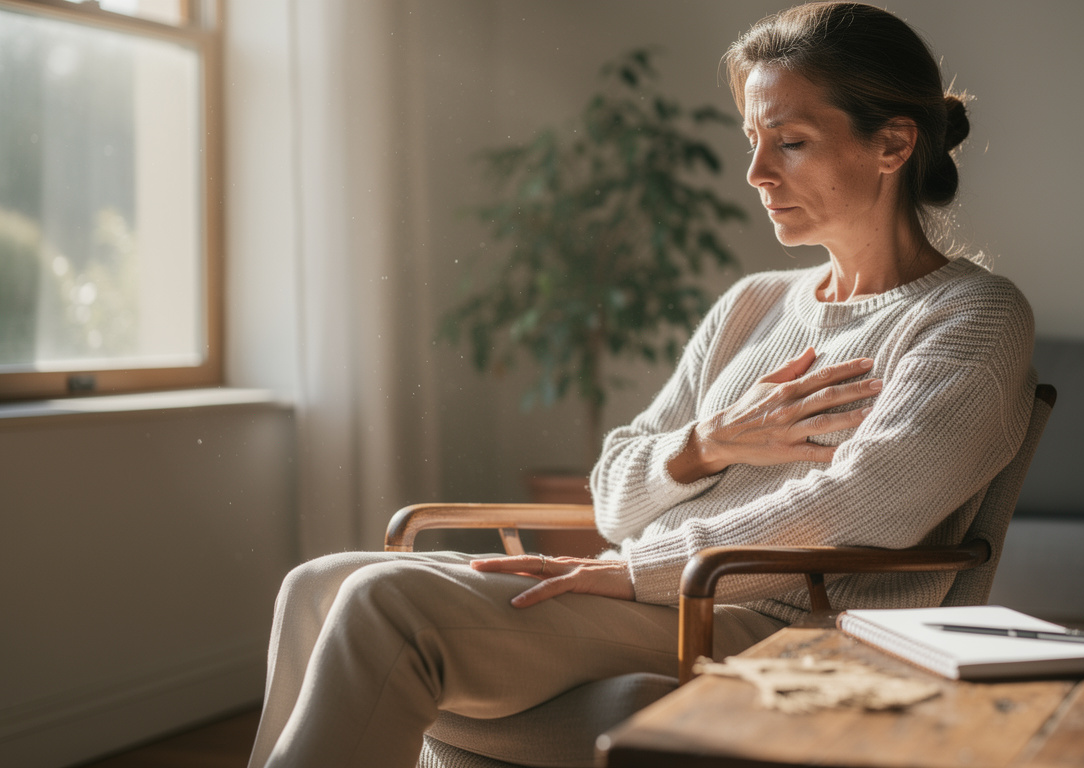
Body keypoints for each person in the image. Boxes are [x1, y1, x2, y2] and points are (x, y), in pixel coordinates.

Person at [247, 3, 1036, 767]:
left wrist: (633, 573)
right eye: (754, 140)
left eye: (790, 142)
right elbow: (615, 495)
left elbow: (866, 508)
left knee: (386, 605)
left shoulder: (971, 316)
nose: (757, 173)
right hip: (661, 595)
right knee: (318, 583)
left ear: (894, 144)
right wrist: (708, 442)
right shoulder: (752, 305)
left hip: (772, 621)